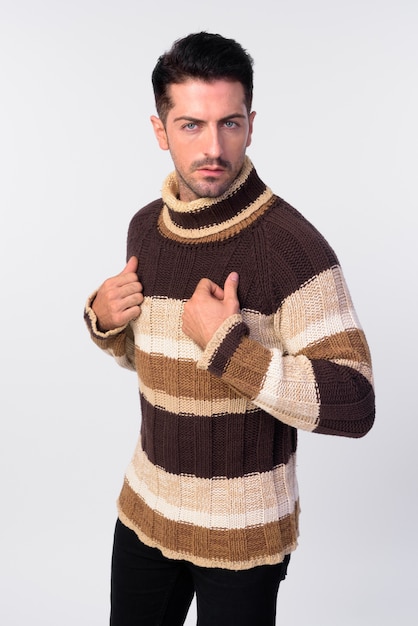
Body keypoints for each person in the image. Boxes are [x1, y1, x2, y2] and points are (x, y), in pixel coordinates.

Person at [84, 32, 375, 626]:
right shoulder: (146, 229)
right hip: (146, 511)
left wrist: (228, 347)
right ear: (160, 130)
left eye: (230, 123)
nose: (213, 147)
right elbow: (160, 363)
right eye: (191, 125)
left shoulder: (291, 246)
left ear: (251, 123)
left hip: (243, 537)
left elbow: (355, 403)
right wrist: (105, 325)